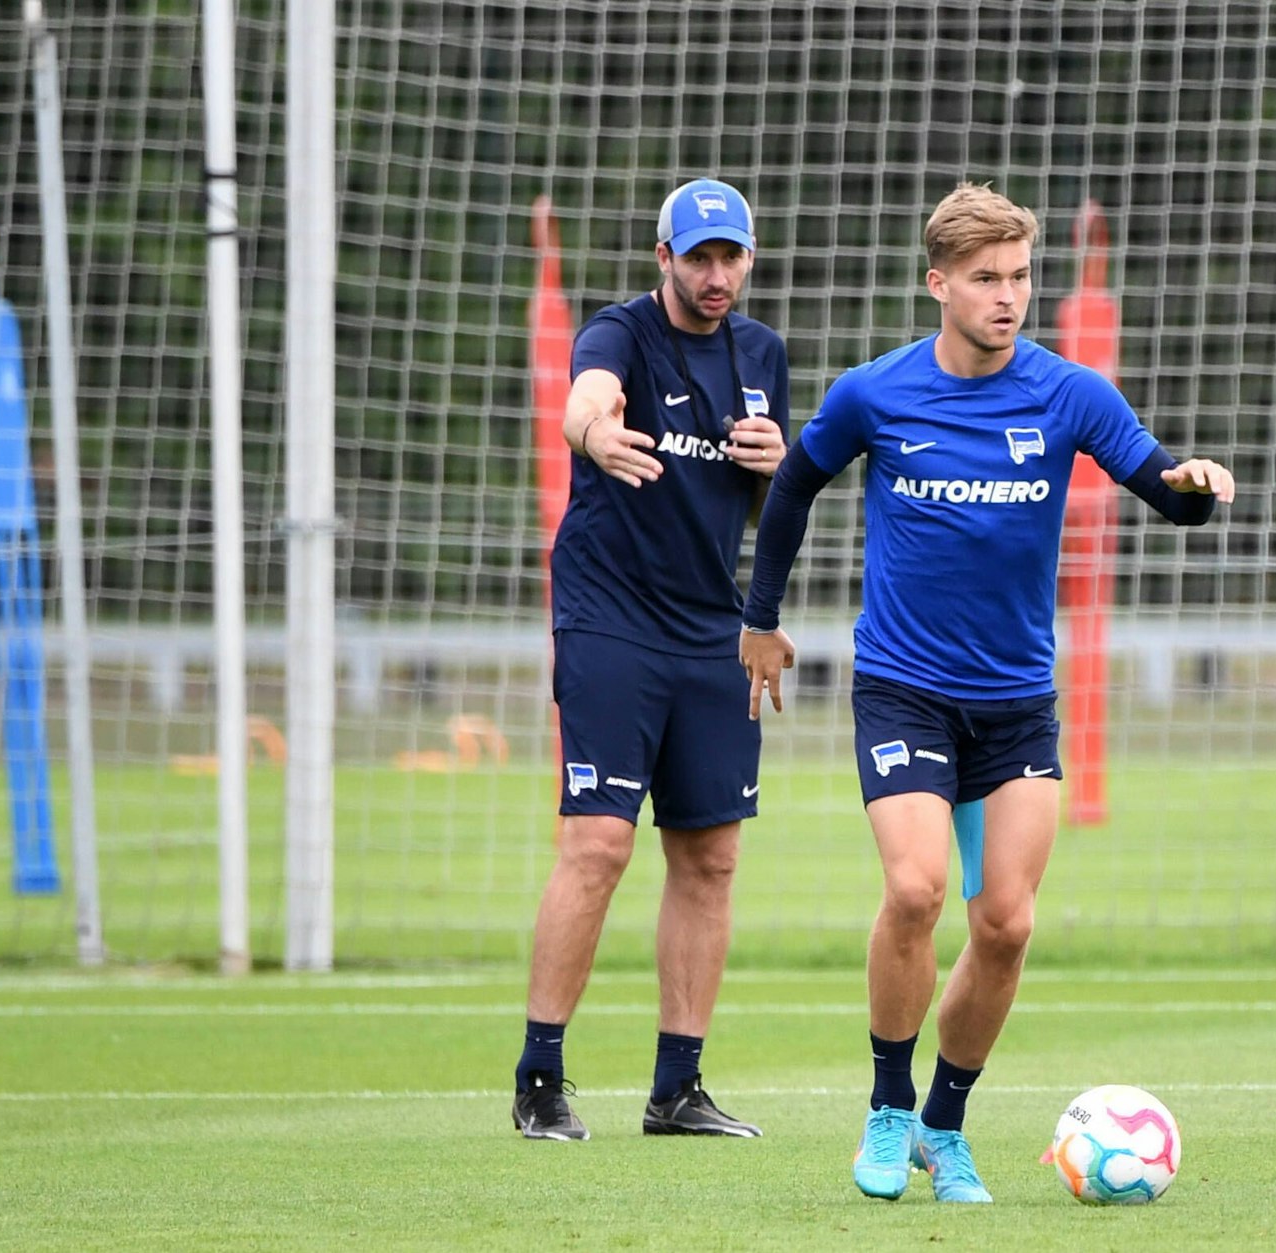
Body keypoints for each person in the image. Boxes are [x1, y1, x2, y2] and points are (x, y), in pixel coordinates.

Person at [737, 183, 1235, 1201]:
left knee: (1004, 922)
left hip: (1014, 702)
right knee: (916, 888)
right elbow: (792, 486)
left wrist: (1195, 484)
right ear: (938, 284)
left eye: (1018, 277)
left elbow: (1158, 486)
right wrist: (760, 617)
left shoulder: (1070, 394)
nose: (1006, 297)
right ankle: (884, 1108)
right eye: (984, 279)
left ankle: (943, 1123)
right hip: (903, 688)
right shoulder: (875, 393)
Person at [512, 178, 789, 1142]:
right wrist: (594, 431)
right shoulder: (621, 332)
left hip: (711, 628)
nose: (718, 276)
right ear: (662, 258)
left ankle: (677, 1090)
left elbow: (765, 509)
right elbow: (582, 403)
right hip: (610, 617)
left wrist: (773, 466)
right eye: (699, 257)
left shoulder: (762, 356)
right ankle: (540, 1078)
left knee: (710, 855)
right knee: (599, 842)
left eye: (733, 257)